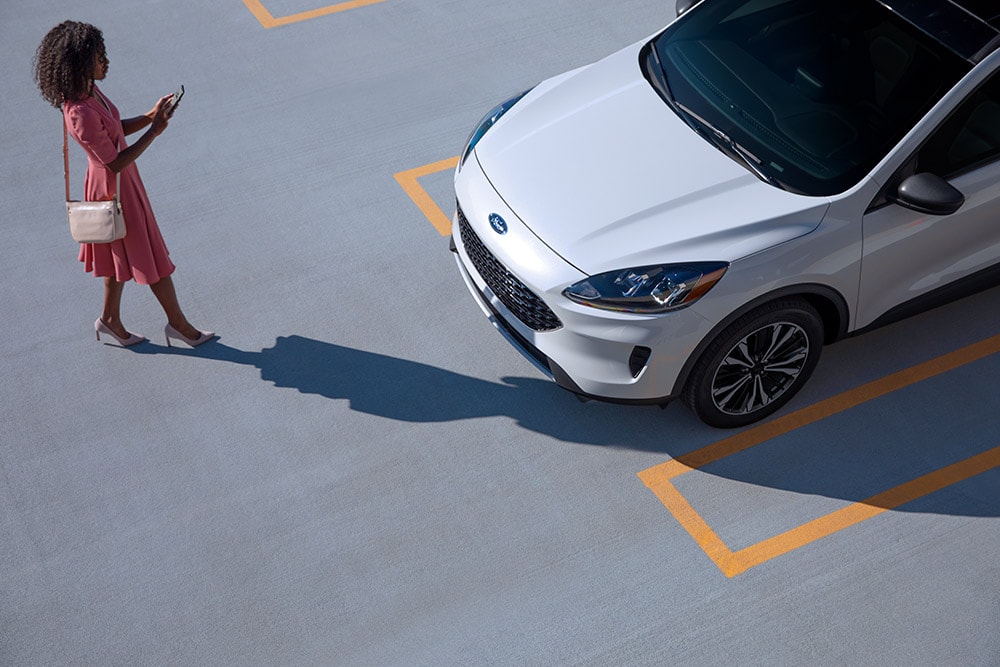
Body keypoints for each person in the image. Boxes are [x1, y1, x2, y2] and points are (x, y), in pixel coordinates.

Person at [33, 20, 213, 347]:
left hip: (121, 179)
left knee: (118, 254)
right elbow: (113, 160)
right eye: (98, 56)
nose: (105, 61)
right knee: (150, 254)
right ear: (79, 62)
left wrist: (149, 115)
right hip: (113, 183)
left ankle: (110, 320)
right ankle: (179, 326)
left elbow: (113, 131)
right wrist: (154, 131)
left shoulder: (87, 89)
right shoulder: (78, 112)